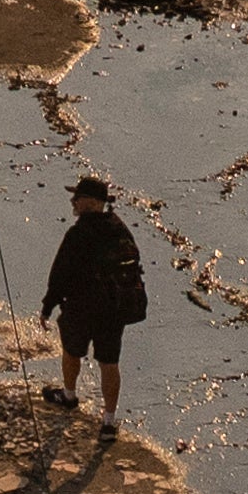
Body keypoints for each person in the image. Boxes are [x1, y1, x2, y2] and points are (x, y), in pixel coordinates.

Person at [37, 172, 144, 427]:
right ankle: (108, 421)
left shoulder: (78, 233)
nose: (73, 201)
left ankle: (69, 396)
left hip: (81, 308)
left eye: (79, 197)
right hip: (114, 310)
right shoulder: (119, 228)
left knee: (72, 352)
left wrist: (47, 306)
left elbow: (60, 273)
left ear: (94, 202)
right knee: (109, 362)